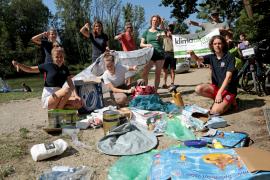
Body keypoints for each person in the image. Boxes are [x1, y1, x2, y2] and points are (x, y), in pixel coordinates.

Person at [12, 47, 83, 110]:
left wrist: (76, 96)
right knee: (67, 90)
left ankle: (57, 109)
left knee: (79, 103)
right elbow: (30, 69)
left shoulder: (65, 69)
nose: (59, 59)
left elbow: (70, 83)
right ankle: (58, 113)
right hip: (49, 99)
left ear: (63, 57)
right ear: (53, 57)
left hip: (59, 97)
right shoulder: (48, 66)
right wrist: (19, 65)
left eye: (61, 56)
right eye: (57, 57)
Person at [188, 35, 238, 115]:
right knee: (198, 89)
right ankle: (219, 100)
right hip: (217, 88)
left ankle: (231, 101)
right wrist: (192, 54)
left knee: (215, 112)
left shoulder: (229, 57)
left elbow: (228, 78)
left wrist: (219, 94)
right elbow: (198, 60)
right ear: (212, 45)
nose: (217, 45)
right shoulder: (211, 57)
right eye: (215, 44)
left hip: (228, 90)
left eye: (219, 43)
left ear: (223, 44)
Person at [140, 15, 165, 91]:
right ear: (151, 21)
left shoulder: (160, 31)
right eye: (153, 20)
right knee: (144, 73)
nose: (155, 22)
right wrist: (147, 45)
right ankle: (145, 90)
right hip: (149, 55)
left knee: (157, 74)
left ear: (158, 22)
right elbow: (141, 44)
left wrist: (162, 24)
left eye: (157, 21)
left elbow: (164, 35)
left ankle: (155, 91)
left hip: (159, 54)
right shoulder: (146, 32)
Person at [162, 24, 176, 88]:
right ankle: (164, 84)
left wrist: (171, 36)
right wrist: (162, 22)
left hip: (173, 53)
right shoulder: (164, 34)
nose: (170, 28)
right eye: (169, 27)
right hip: (165, 53)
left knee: (172, 70)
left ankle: (172, 83)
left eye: (171, 27)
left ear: (173, 28)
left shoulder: (175, 35)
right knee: (164, 69)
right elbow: (162, 27)